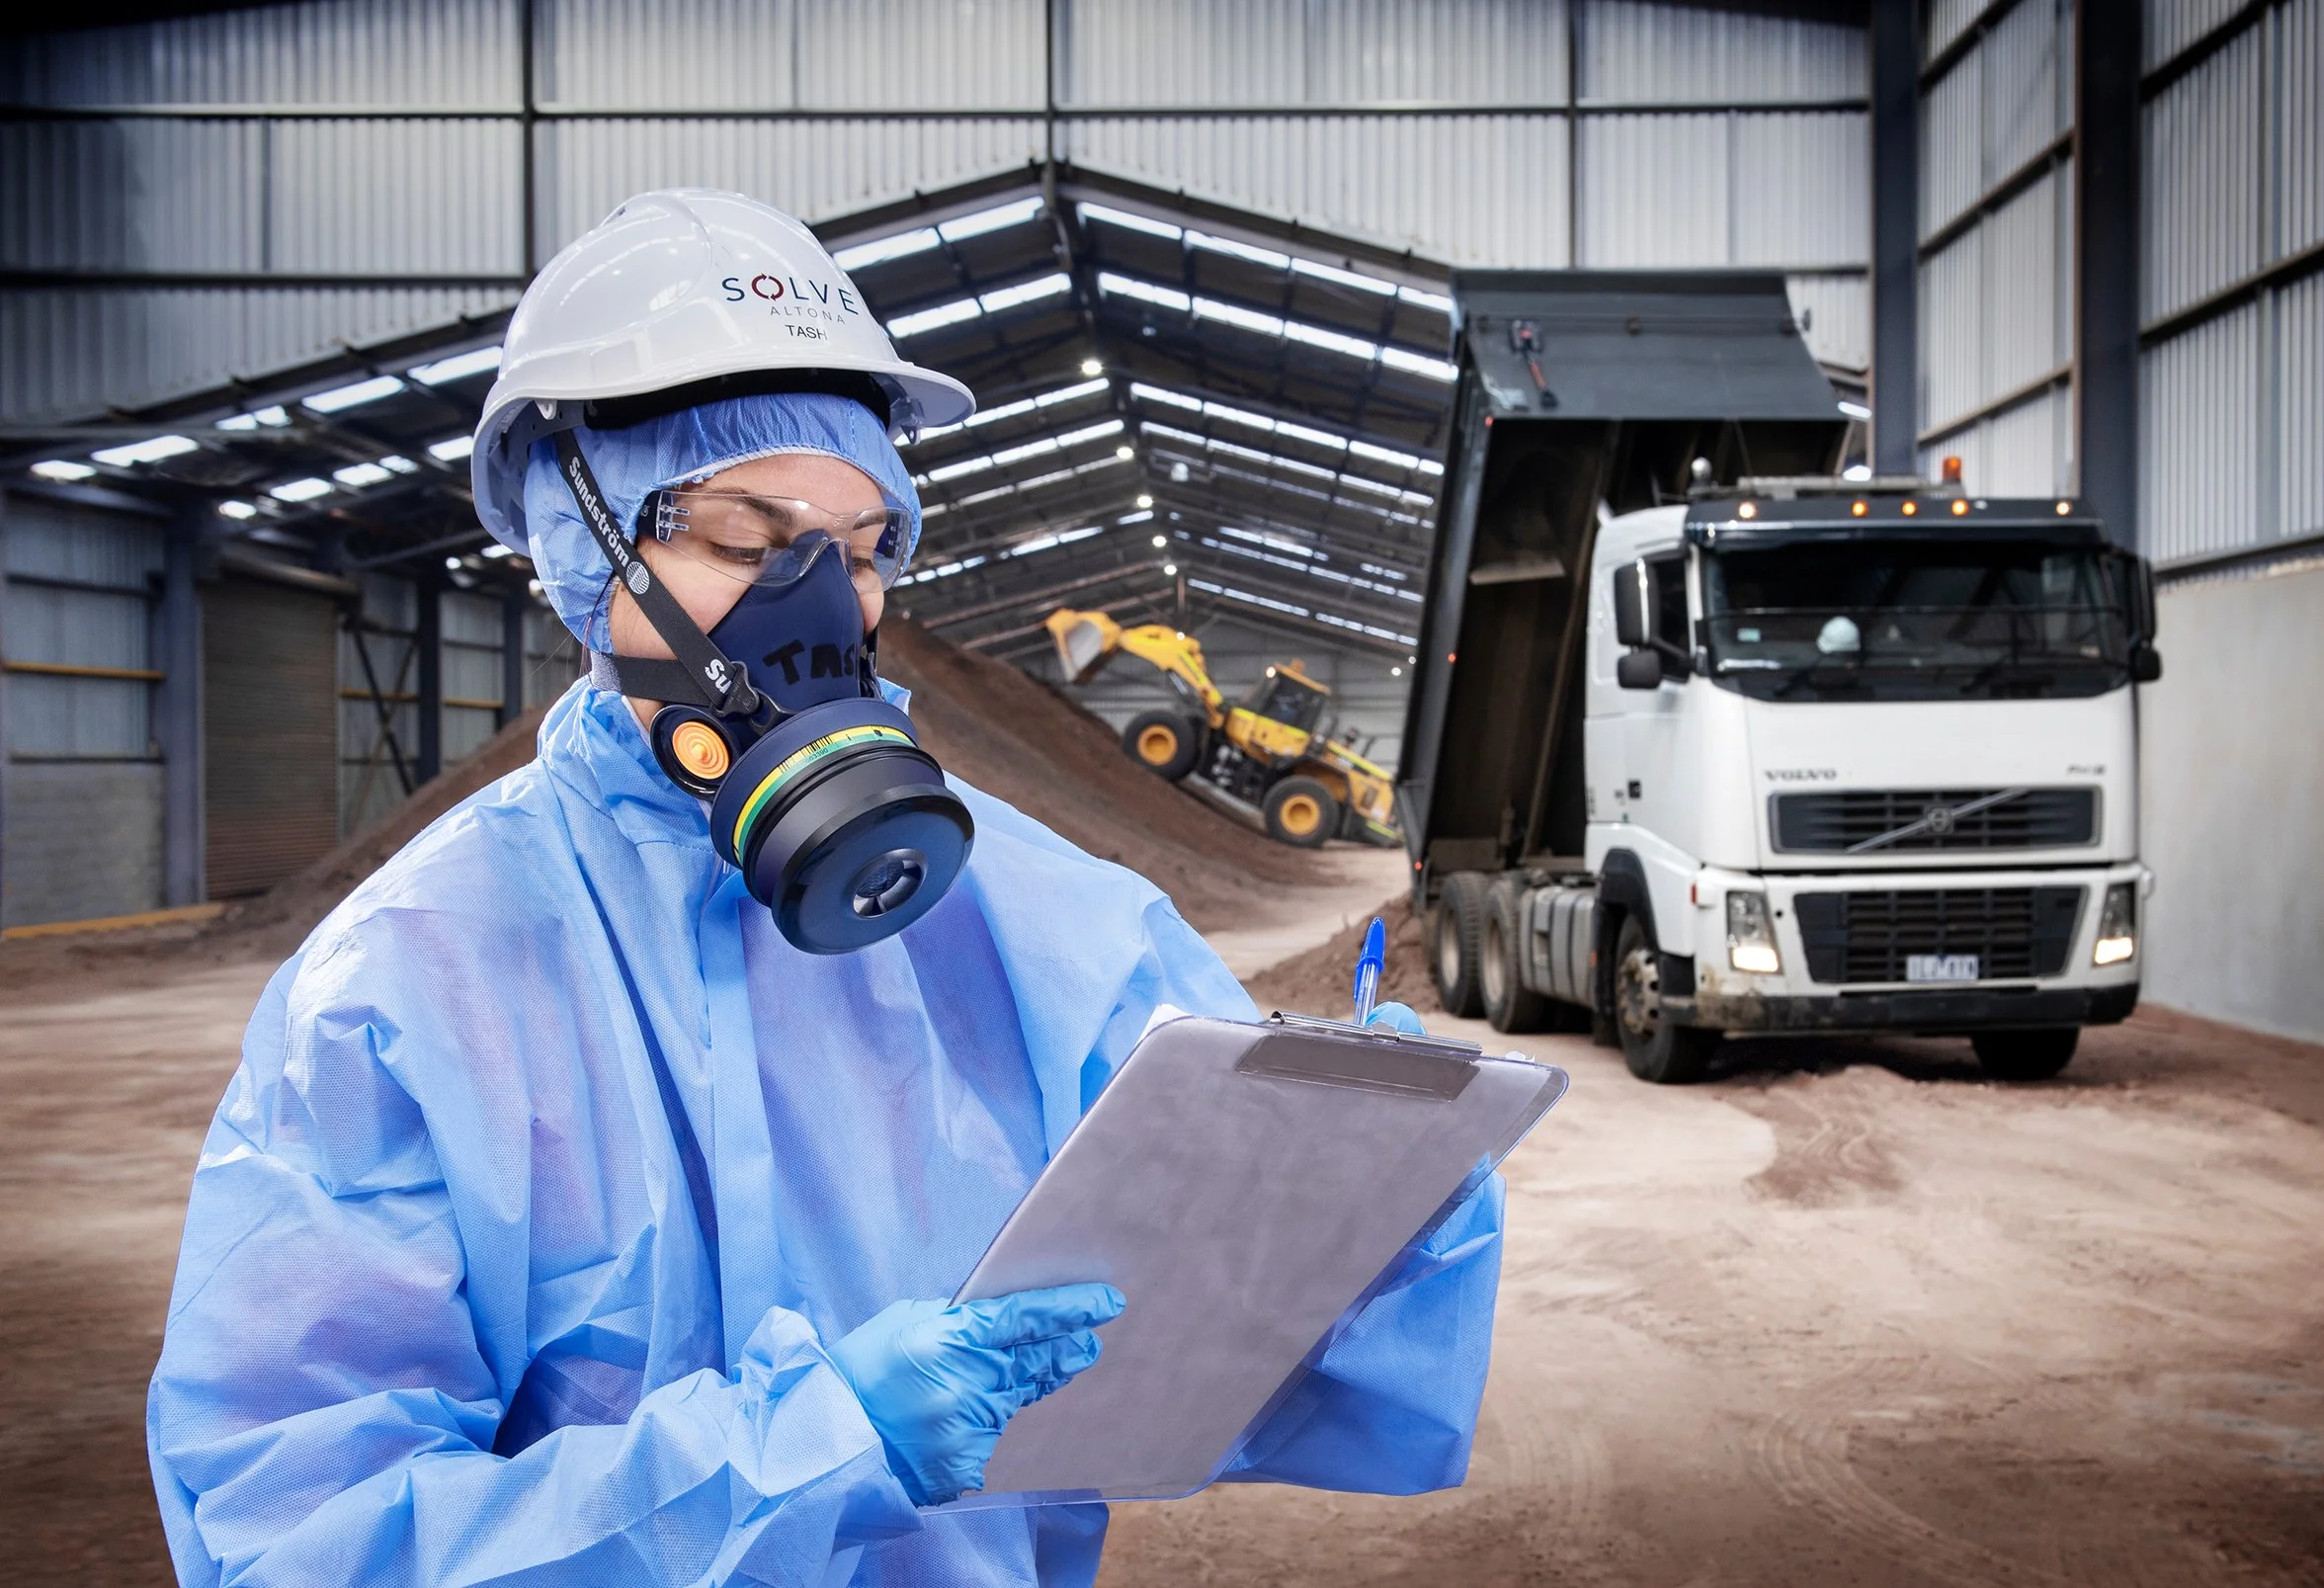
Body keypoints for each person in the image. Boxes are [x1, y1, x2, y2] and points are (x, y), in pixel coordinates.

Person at [146, 189, 1507, 1588]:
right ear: (582, 542)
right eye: (748, 538)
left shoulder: (1036, 921)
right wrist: (817, 1446)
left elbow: (1217, 1335)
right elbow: (293, 1536)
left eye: (862, 552)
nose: (822, 606)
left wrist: (1371, 1206)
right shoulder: (401, 987)